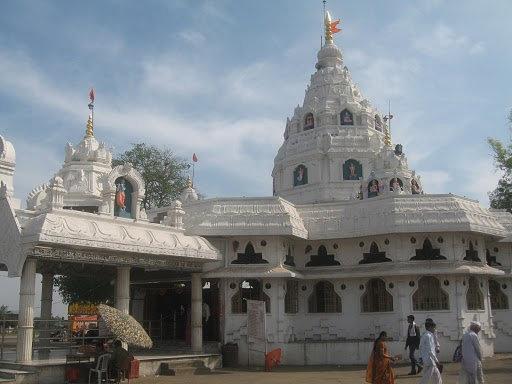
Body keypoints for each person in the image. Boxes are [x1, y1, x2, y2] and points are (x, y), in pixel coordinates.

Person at [419, 319, 442, 384]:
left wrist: (421, 357)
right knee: (426, 378)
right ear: (429, 327)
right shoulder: (428, 336)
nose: (435, 329)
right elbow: (430, 350)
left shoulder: (426, 335)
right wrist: (437, 361)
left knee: (437, 377)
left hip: (428, 360)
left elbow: (420, 347)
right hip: (430, 361)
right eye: (434, 327)